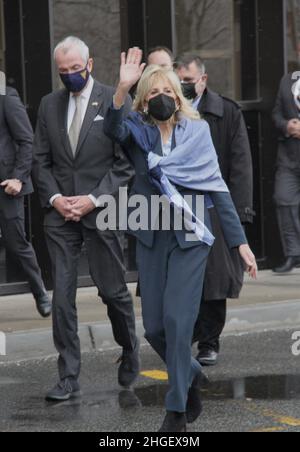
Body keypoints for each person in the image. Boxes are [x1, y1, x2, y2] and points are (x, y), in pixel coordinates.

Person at [103, 47, 257, 432]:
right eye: (150, 94)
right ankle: (190, 373)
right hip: (153, 235)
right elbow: (113, 128)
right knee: (154, 327)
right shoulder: (139, 132)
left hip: (191, 237)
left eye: (165, 91)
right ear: (144, 100)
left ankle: (176, 412)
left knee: (177, 322)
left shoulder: (198, 131)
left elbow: (218, 189)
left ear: (178, 93)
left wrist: (240, 244)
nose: (159, 99)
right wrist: (121, 89)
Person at [32, 36, 139, 401]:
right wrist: (57, 198)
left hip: (102, 211)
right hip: (60, 215)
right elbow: (39, 160)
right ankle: (68, 375)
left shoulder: (113, 99)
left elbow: (124, 164)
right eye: (63, 72)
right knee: (62, 298)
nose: (69, 77)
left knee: (112, 292)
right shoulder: (48, 105)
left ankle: (129, 349)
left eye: (75, 70)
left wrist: (93, 200)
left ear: (89, 64)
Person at [175, 53, 254, 366]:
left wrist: (238, 213)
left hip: (215, 206)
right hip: (179, 206)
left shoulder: (226, 112)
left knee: (215, 279)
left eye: (188, 82)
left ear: (203, 80)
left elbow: (240, 164)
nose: (183, 87)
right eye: (178, 81)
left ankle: (209, 341)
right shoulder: (167, 111)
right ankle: (188, 333)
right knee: (184, 278)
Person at [0, 86, 51, 318]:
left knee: (16, 242)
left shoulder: (6, 96)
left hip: (7, 185)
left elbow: (26, 140)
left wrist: (18, 178)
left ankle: (39, 291)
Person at [272, 73, 300, 273]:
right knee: (284, 199)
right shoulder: (286, 80)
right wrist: (286, 126)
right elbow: (276, 114)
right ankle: (293, 254)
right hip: (289, 158)